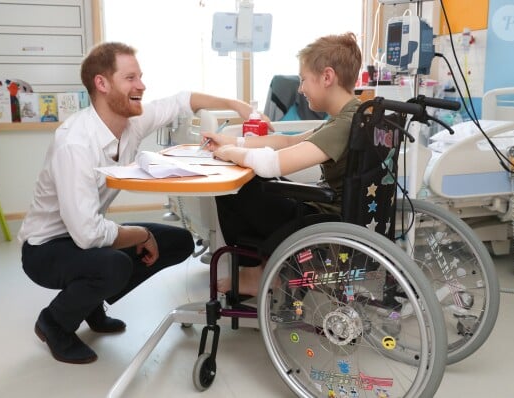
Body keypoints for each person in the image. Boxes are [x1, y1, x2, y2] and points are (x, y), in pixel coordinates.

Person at [18, 42, 261, 364]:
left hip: (82, 237)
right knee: (114, 264)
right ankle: (54, 322)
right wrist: (141, 236)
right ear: (102, 84)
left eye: (141, 77)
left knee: (178, 241)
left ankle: (91, 302)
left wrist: (236, 104)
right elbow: (88, 235)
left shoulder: (130, 123)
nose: (141, 85)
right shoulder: (75, 143)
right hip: (45, 248)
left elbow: (181, 101)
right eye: (130, 78)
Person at [201, 33, 362, 296]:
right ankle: (263, 268)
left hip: (324, 221)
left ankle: (259, 271)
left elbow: (273, 164)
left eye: (303, 80)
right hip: (336, 212)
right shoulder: (354, 116)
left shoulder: (344, 125)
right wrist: (231, 141)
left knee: (238, 186)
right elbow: (287, 143)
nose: (301, 89)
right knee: (250, 179)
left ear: (327, 77)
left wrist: (230, 153)